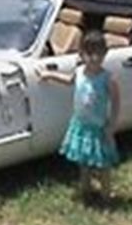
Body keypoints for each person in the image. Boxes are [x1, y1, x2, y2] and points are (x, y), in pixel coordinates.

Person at [36, 30, 120, 203]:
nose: (94, 58)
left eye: (98, 54)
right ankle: (85, 190)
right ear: (82, 54)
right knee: (84, 162)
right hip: (81, 125)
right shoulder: (80, 72)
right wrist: (49, 75)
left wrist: (111, 125)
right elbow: (68, 81)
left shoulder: (108, 79)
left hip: (99, 128)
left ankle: (106, 195)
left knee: (103, 164)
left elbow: (116, 102)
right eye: (89, 54)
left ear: (105, 54)